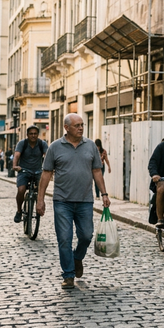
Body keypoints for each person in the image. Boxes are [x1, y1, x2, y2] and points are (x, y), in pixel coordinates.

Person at [36, 114, 110, 289]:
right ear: (66, 128)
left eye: (82, 125)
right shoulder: (55, 147)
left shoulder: (91, 146)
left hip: (85, 200)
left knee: (86, 235)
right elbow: (46, 174)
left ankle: (77, 258)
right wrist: (40, 200)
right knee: (64, 239)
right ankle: (68, 275)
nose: (81, 128)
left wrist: (104, 193)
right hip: (62, 201)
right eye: (77, 125)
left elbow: (97, 171)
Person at [12, 125, 48, 223]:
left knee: (41, 188)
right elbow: (16, 155)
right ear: (27, 134)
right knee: (21, 190)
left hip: (38, 171)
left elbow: (47, 156)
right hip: (24, 170)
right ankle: (19, 210)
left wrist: (49, 168)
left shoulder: (42, 144)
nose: (33, 136)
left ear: (38, 135)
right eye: (31, 134)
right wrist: (15, 166)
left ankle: (39, 203)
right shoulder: (22, 143)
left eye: (35, 134)